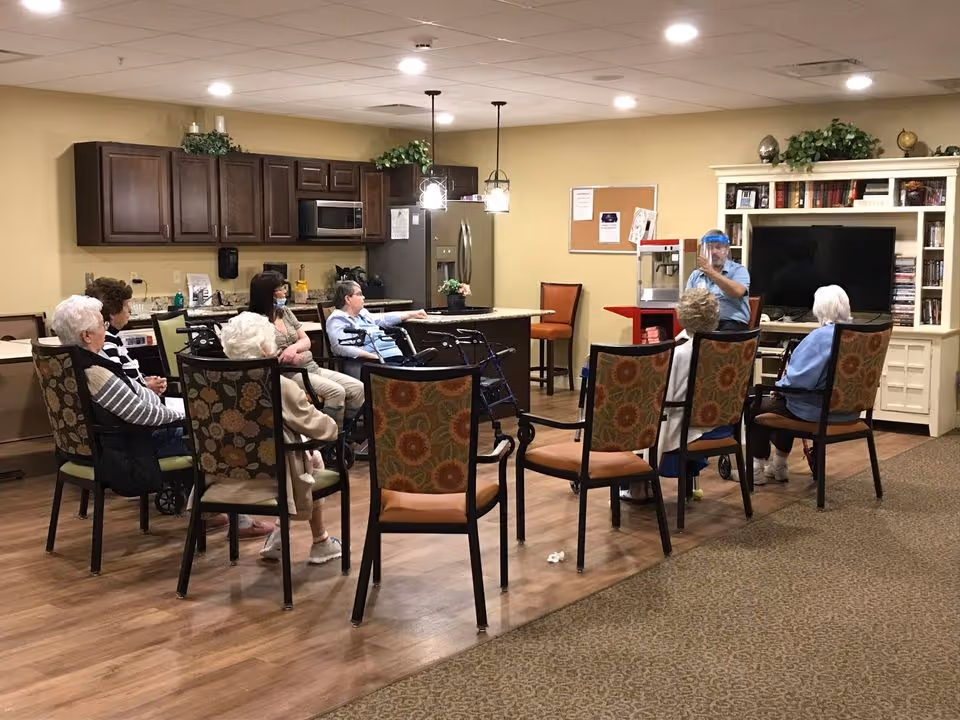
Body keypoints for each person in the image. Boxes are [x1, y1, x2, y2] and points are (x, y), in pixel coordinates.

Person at [52, 295, 272, 538]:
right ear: (86, 335)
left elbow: (136, 396)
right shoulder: (95, 372)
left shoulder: (71, 363)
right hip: (128, 451)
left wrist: (162, 403)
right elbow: (140, 413)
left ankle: (208, 513)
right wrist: (187, 414)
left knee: (200, 432)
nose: (105, 329)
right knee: (214, 439)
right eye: (101, 325)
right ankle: (237, 520)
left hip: (105, 446)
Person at [218, 312, 343, 566]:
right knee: (313, 457)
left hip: (223, 475)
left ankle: (279, 537)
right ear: (265, 348)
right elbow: (325, 430)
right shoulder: (279, 384)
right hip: (274, 477)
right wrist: (333, 423)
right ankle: (319, 541)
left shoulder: (214, 383)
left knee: (303, 455)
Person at [622, 288, 732, 500]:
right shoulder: (727, 348)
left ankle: (638, 487)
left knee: (636, 416)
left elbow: (664, 398)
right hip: (722, 424)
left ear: (682, 315)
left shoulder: (679, 354)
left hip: (686, 428)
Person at [748, 285, 857, 484]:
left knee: (756, 404)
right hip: (850, 411)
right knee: (784, 403)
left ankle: (756, 469)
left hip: (817, 411)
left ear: (819, 309)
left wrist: (779, 388)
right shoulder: (857, 335)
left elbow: (799, 380)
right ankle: (779, 466)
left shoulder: (820, 337)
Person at [248, 271, 363, 428]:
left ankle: (348, 433)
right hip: (289, 373)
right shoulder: (255, 322)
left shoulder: (285, 312)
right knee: (336, 392)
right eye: (280, 289)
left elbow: (306, 341)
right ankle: (330, 437)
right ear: (268, 294)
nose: (285, 293)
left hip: (310, 366)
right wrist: (285, 356)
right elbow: (261, 356)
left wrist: (293, 348)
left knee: (358, 388)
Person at [85, 277, 166, 395]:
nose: (130, 310)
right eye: (126, 305)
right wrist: (146, 386)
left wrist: (143, 379)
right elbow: (119, 384)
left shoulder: (113, 337)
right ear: (112, 312)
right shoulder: (107, 341)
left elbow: (126, 375)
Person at [325, 280, 428, 371]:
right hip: (374, 363)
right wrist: (374, 358)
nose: (363, 297)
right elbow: (340, 347)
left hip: (392, 356)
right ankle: (410, 366)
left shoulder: (362, 314)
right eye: (359, 294)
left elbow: (383, 319)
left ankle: (411, 364)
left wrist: (412, 314)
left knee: (421, 369)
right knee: (415, 374)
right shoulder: (337, 319)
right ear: (348, 299)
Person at [686, 229, 751, 331]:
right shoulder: (696, 275)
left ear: (726, 250)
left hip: (731, 324)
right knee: (678, 340)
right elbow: (687, 303)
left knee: (717, 338)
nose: (714, 252)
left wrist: (711, 273)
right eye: (709, 248)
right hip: (702, 326)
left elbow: (738, 291)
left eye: (718, 247)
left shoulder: (738, 270)